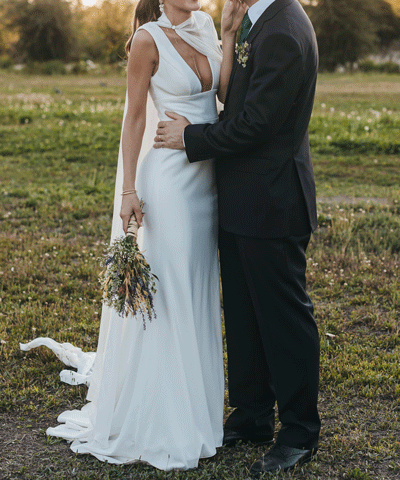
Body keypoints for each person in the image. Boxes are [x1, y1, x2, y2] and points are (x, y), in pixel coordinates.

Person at [20, 0, 246, 471]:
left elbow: (224, 95)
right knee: (169, 295)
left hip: (208, 182)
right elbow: (135, 117)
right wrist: (128, 189)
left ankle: (199, 412)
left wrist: (227, 31)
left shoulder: (207, 25)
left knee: (197, 290)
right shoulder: (147, 39)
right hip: (168, 184)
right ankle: (165, 418)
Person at [153, 0, 321, 474]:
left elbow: (257, 124)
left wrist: (190, 138)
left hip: (273, 201)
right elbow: (236, 98)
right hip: (241, 197)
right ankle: (250, 414)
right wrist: (229, 34)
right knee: (244, 314)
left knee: (284, 319)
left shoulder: (285, 29)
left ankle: (299, 430)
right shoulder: (256, 21)